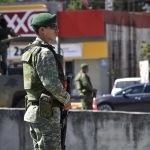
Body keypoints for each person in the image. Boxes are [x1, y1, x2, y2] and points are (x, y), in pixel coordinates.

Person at [22, 13, 71, 150]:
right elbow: (50, 83)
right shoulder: (44, 53)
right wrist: (66, 99)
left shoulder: (30, 50)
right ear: (42, 30)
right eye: (53, 27)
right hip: (46, 114)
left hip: (35, 111)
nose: (57, 30)